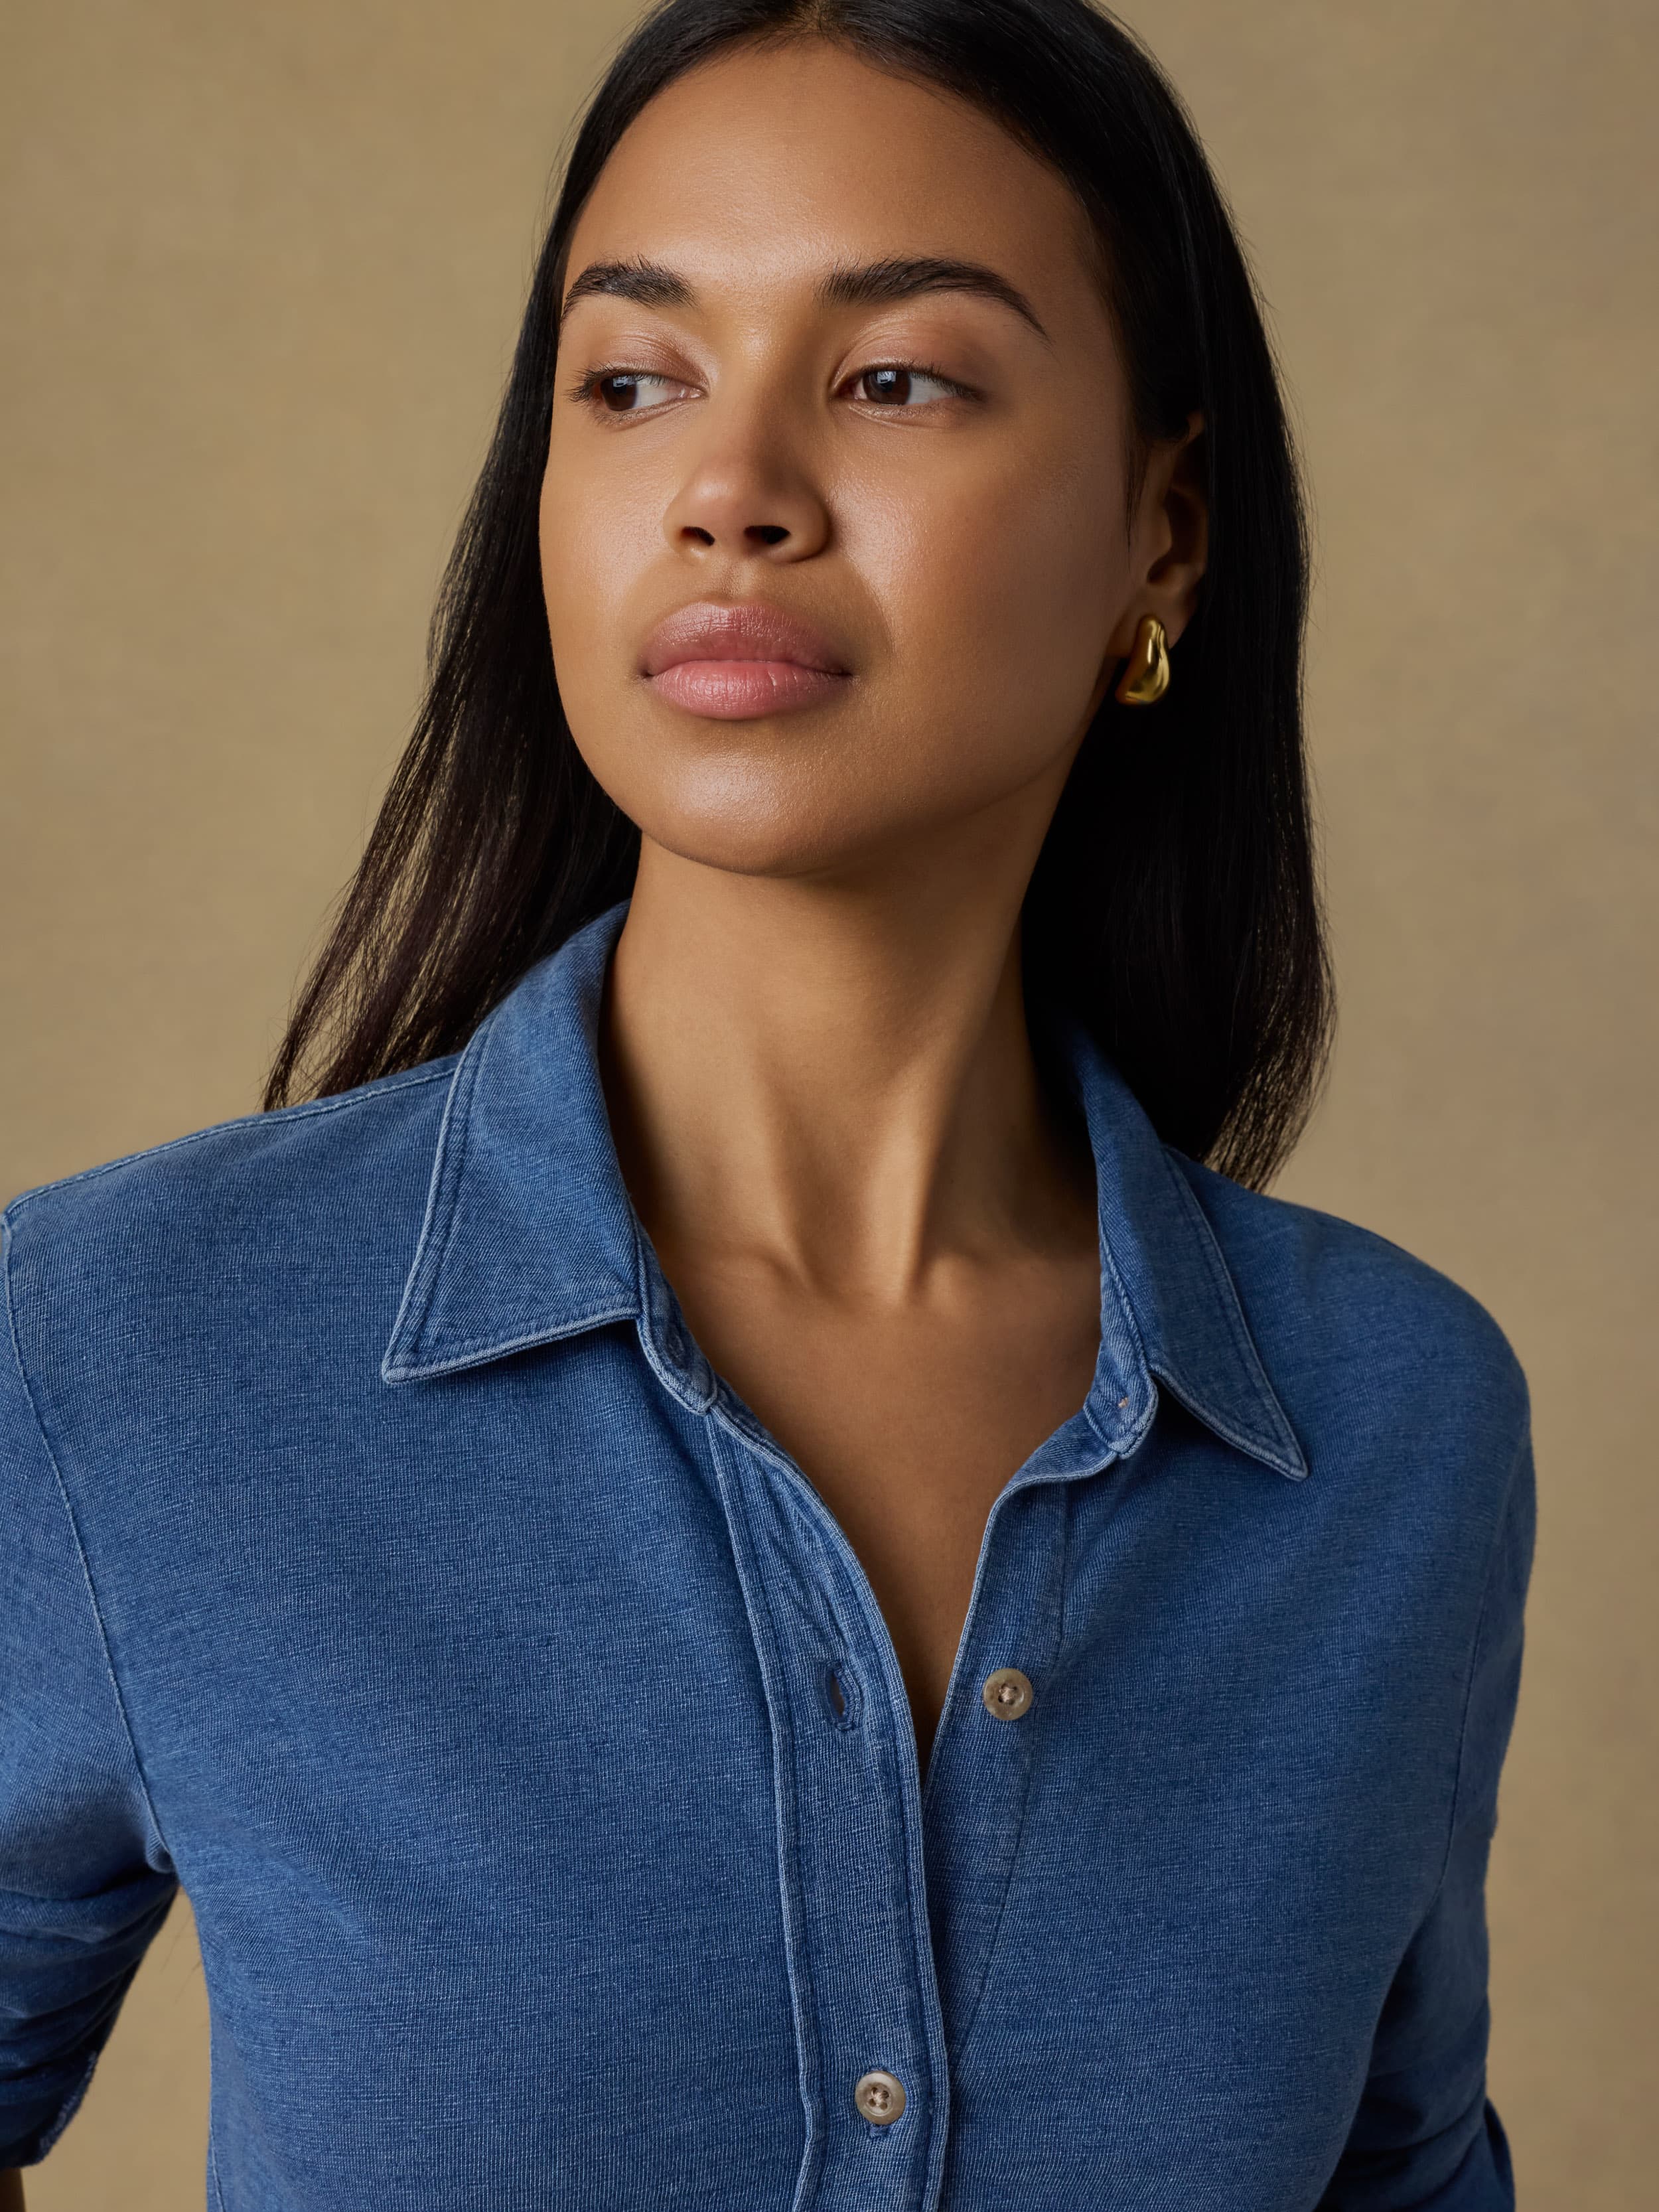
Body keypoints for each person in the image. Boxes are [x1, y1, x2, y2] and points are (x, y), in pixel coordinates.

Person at [0, 1, 1536, 2206]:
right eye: (633, 381)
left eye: (894, 375)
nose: (730, 490)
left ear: (1162, 534)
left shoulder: (1391, 1424)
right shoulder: (121, 1349)